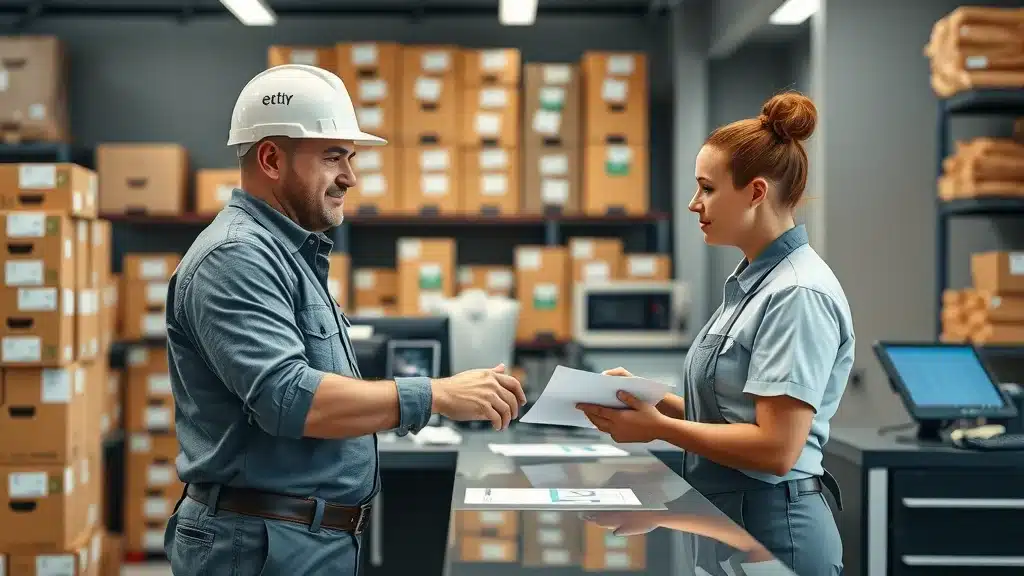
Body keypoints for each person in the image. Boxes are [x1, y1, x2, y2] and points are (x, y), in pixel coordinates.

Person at [162, 64, 526, 576]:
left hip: (301, 541)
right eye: (333, 157)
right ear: (270, 158)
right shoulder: (236, 257)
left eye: (350, 158)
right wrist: (435, 394)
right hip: (262, 548)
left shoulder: (289, 254)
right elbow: (289, 398)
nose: (350, 177)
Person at [577, 91, 850, 576]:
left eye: (706, 188)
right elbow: (737, 414)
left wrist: (658, 428)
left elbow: (776, 449)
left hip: (775, 533)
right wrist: (655, 401)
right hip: (728, 522)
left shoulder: (796, 293)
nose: (693, 203)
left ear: (756, 192)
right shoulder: (751, 282)